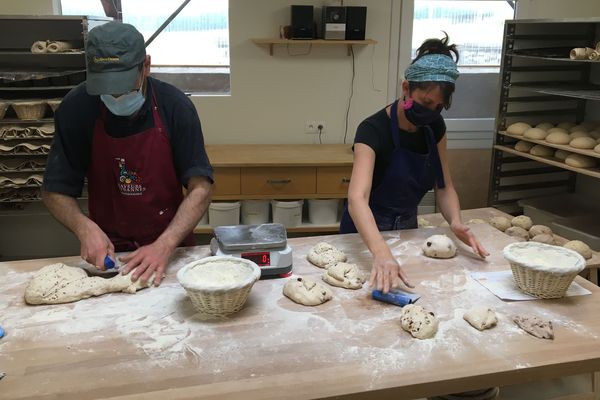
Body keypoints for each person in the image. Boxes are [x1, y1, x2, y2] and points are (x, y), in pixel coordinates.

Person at [42, 22, 213, 286]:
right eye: (106, 87)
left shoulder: (176, 107)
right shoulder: (76, 109)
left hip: (169, 245)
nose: (116, 95)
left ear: (146, 66)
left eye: (123, 84)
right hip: (109, 251)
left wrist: (165, 245)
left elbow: (200, 187)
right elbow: (55, 191)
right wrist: (83, 227)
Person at [340, 34, 489, 293]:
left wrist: (455, 221)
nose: (431, 112)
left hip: (407, 230)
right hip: (365, 235)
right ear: (406, 88)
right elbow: (357, 198)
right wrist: (381, 251)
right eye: (426, 103)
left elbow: (444, 187)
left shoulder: (434, 127)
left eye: (438, 107)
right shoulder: (373, 130)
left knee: (412, 293)